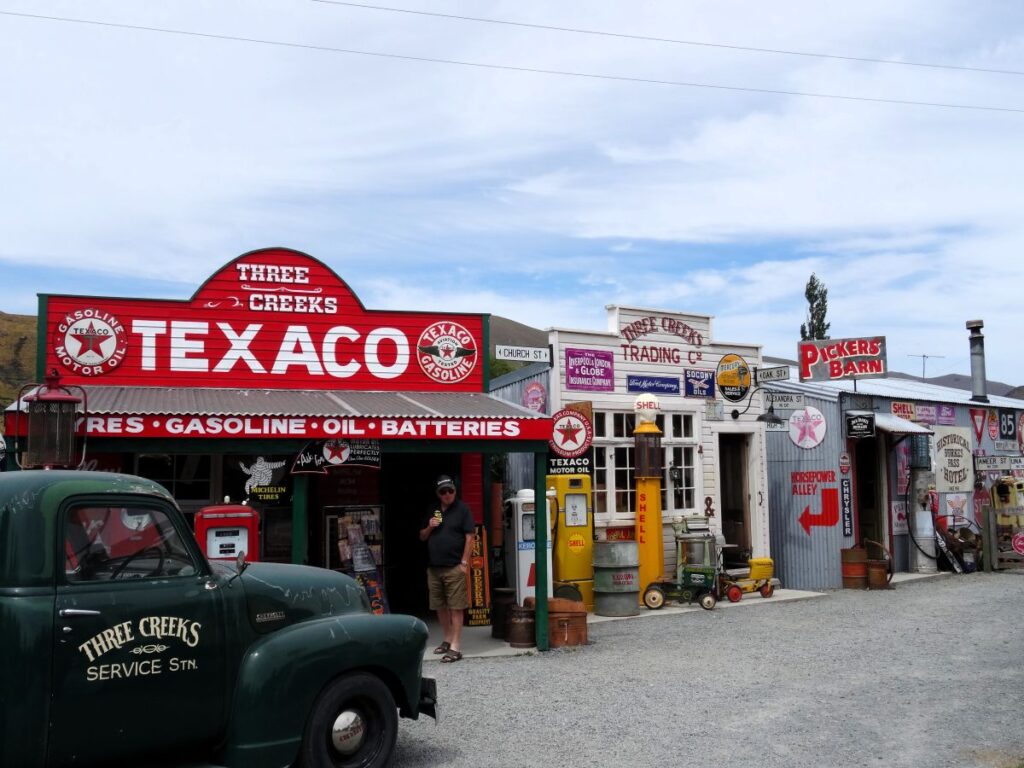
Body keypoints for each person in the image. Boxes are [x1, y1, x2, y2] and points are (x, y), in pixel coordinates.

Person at [419, 474, 474, 663]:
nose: (448, 494)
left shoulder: (463, 510)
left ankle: (456, 647)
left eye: (450, 490)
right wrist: (429, 527)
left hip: (454, 567)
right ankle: (447, 638)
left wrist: (464, 563)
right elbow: (422, 537)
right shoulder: (432, 510)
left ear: (455, 490)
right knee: (439, 606)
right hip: (434, 567)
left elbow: (470, 537)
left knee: (456, 607)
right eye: (443, 492)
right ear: (438, 493)